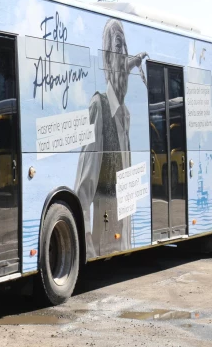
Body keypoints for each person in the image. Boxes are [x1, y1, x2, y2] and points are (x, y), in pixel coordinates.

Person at [74, 19, 147, 257]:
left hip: (121, 247)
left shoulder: (125, 116)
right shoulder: (99, 106)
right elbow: (82, 193)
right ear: (107, 59)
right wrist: (88, 251)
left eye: (125, 47)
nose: (124, 54)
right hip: (103, 245)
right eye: (118, 46)